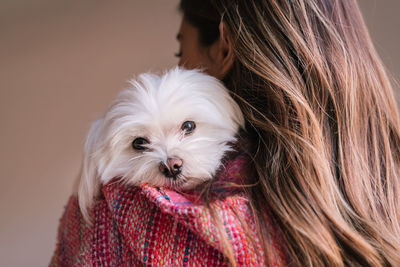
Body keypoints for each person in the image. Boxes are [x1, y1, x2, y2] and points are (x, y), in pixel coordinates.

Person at [51, 0, 400, 266]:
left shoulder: (113, 214)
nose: (170, 160)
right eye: (140, 143)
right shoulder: (379, 181)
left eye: (179, 50)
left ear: (223, 47)